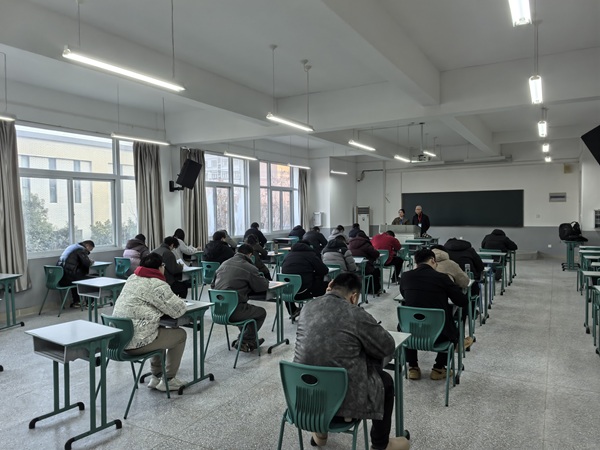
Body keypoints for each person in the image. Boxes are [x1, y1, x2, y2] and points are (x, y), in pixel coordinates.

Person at [294, 273, 410, 450]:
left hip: (306, 400)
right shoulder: (355, 313)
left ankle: (320, 433)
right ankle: (380, 444)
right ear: (354, 297)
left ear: (330, 287)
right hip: (344, 404)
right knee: (385, 381)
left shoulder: (307, 307)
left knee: (320, 363)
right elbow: (387, 346)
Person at [112, 253, 188, 392]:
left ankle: (156, 376)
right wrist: (180, 301)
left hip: (119, 341)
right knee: (180, 335)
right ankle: (169, 380)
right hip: (136, 343)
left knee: (157, 329)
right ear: (160, 267)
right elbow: (178, 311)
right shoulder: (157, 284)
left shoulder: (132, 278)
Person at [399, 249, 468, 381]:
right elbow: (462, 301)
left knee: (410, 321)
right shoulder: (442, 278)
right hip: (439, 335)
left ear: (416, 262)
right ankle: (438, 368)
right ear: (432, 260)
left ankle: (413, 367)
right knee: (454, 327)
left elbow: (404, 295)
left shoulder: (406, 276)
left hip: (410, 334)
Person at [211, 244, 270, 352]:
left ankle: (247, 339)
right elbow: (262, 286)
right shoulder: (249, 267)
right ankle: (245, 340)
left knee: (247, 310)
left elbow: (212, 285)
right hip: (234, 311)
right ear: (250, 255)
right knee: (260, 313)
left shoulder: (223, 264)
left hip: (218, 311)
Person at [431, 245, 473, 351]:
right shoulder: (450, 264)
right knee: (461, 308)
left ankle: (411, 361)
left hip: (415, 322)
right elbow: (465, 282)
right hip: (443, 309)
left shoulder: (419, 267)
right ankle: (459, 341)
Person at [281, 239, 329, 317]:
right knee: (328, 286)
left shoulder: (287, 256)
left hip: (288, 294)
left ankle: (293, 310)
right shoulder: (310, 255)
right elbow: (324, 270)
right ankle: (322, 313)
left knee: (290, 283)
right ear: (308, 246)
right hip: (305, 292)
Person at [57, 240, 95, 308]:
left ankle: (77, 302)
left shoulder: (71, 247)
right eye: (90, 249)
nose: (90, 251)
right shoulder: (81, 249)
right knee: (93, 279)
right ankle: (90, 304)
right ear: (87, 246)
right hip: (70, 279)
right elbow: (87, 263)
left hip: (61, 278)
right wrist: (91, 261)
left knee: (75, 276)